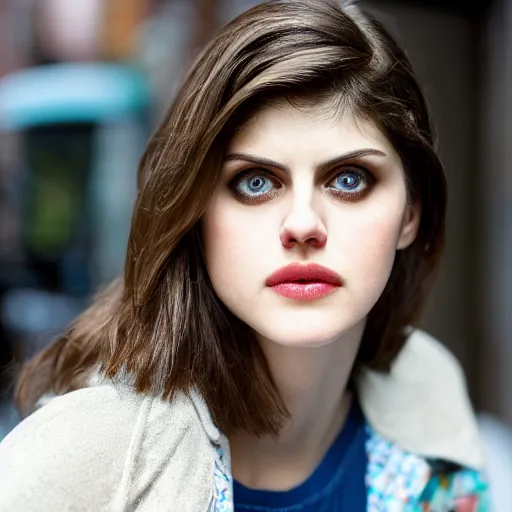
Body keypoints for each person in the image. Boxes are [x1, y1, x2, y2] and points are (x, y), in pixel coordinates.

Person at [0, 1, 489, 510]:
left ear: (410, 213)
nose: (303, 224)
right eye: (255, 182)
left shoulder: (431, 401)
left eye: (348, 179)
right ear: (194, 213)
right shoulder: (78, 463)